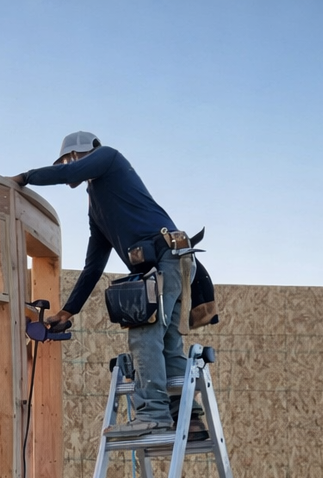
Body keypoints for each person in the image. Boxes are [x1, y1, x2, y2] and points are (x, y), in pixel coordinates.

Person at [11, 132, 217, 440]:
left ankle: (153, 415)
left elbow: (69, 174)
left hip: (167, 258)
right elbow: (93, 266)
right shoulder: (98, 209)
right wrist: (68, 311)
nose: (71, 164)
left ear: (89, 152)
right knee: (168, 340)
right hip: (171, 263)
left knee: (145, 333)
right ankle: (188, 416)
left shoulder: (109, 157)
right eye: (68, 160)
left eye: (75, 157)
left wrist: (26, 178)